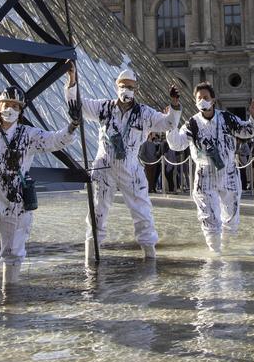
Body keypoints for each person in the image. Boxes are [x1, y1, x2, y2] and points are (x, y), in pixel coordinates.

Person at [0, 85, 79, 291]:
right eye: (6, 105)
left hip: (15, 204)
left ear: (20, 110)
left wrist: (72, 126)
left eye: (14, 106)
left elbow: (55, 140)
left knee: (13, 255)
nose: (9, 109)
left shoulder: (29, 134)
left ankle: (9, 299)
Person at [66, 65, 181, 263]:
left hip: (131, 170)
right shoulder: (103, 107)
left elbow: (169, 123)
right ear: (115, 86)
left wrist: (175, 104)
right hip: (103, 169)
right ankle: (90, 259)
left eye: (129, 86)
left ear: (136, 89)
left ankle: (150, 256)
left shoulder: (145, 113)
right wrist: (72, 79)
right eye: (122, 85)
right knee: (96, 213)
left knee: (143, 213)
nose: (125, 90)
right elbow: (76, 105)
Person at [165, 84, 254, 251]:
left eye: (206, 97)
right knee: (208, 216)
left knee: (232, 215)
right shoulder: (192, 124)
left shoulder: (227, 118)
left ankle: (228, 250)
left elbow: (248, 130)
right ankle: (215, 252)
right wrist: (171, 123)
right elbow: (176, 143)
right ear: (194, 101)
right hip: (205, 175)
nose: (203, 101)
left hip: (229, 172)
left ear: (213, 100)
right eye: (199, 98)